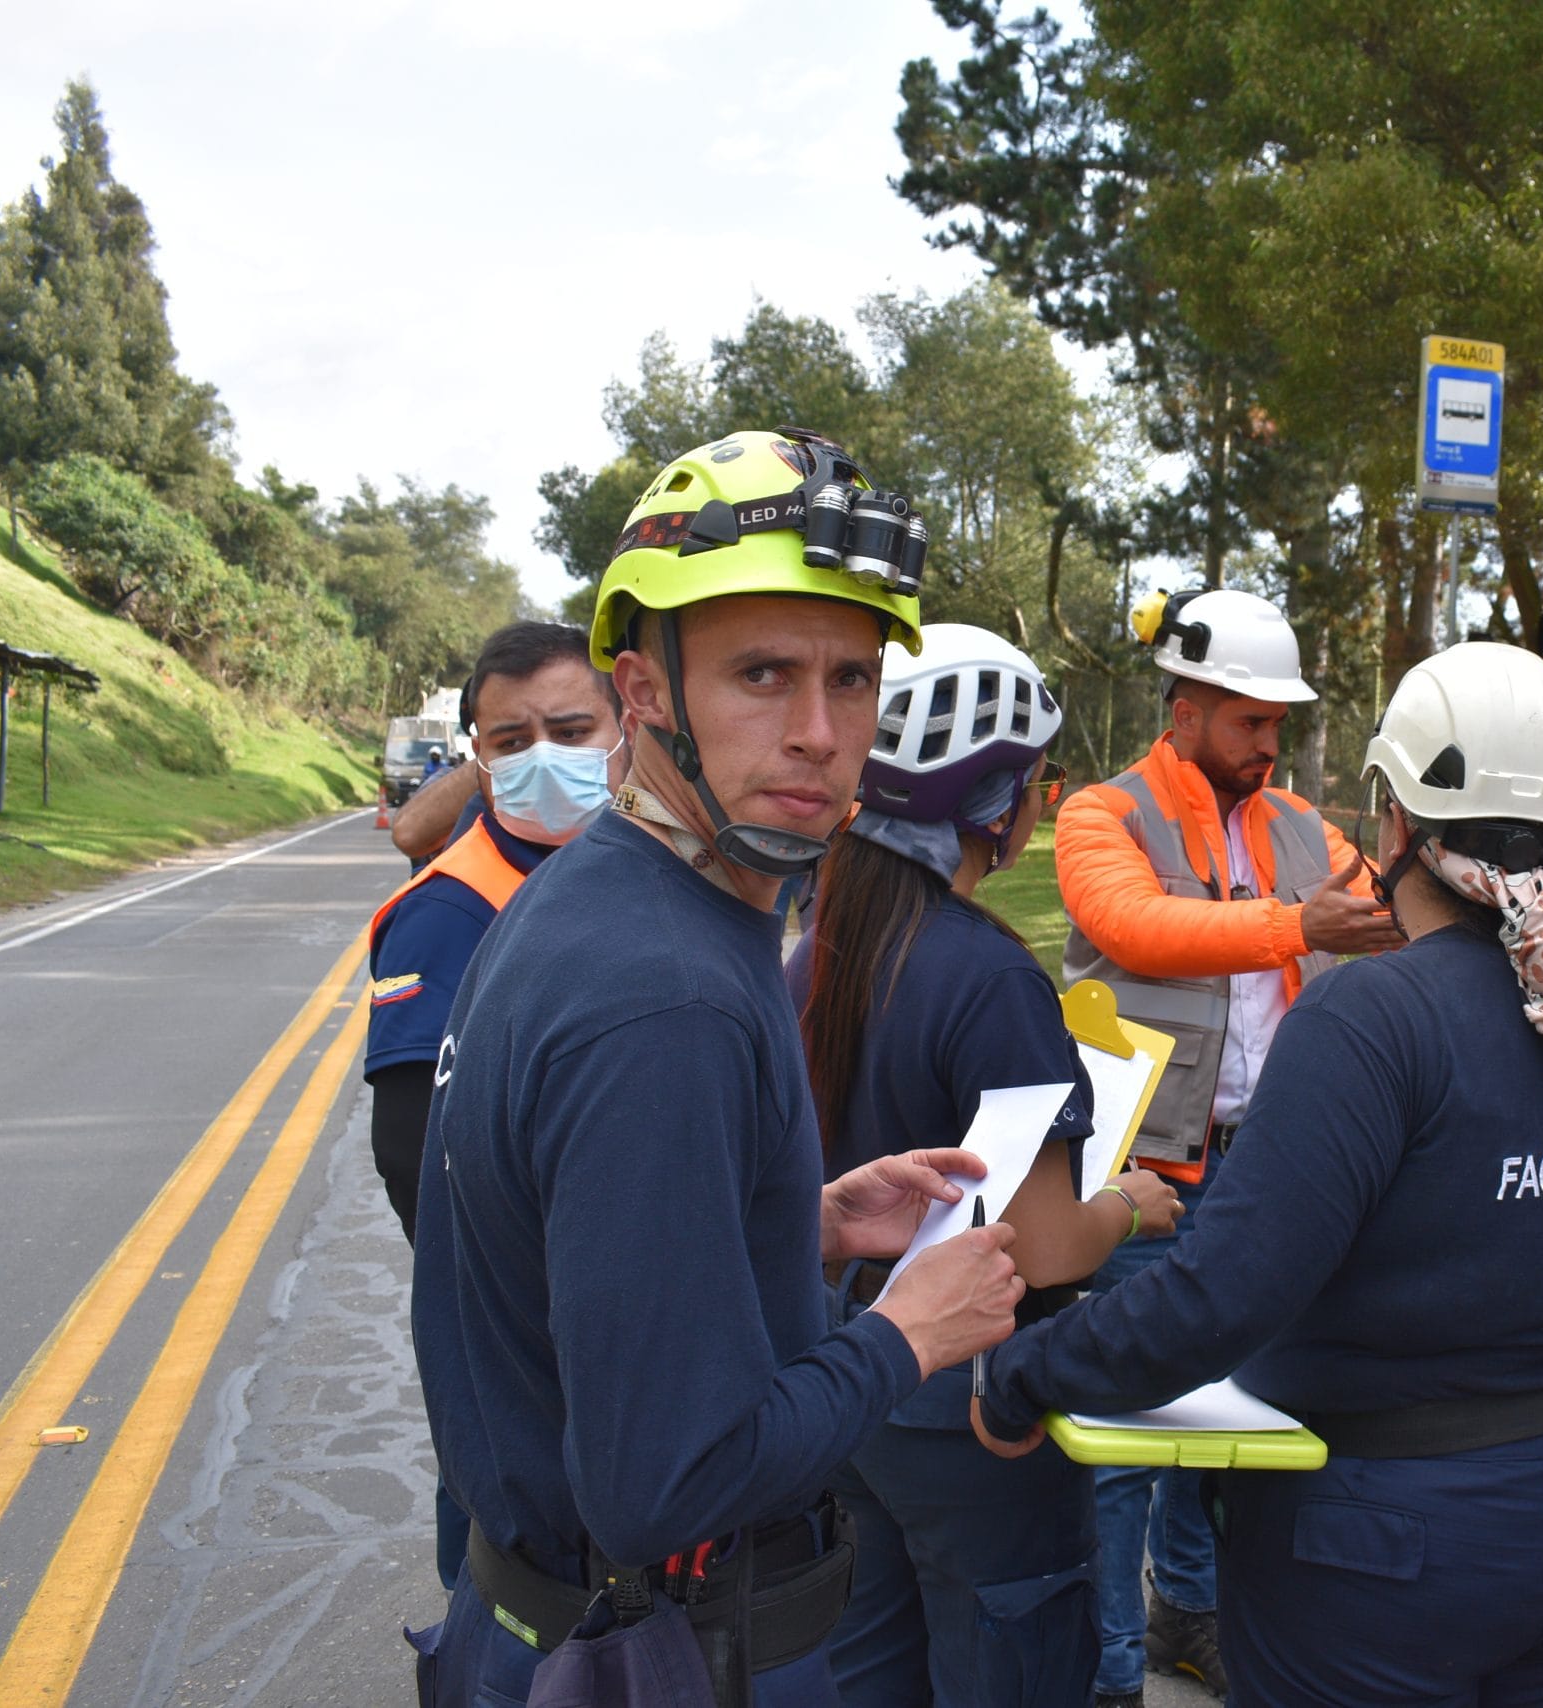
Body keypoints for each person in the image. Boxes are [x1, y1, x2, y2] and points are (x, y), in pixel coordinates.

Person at [407, 429, 1027, 1708]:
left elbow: (557, 1247)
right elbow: (663, 1486)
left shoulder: (607, 891)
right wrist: (906, 1337)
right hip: (664, 1652)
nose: (817, 732)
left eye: (850, 681)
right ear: (642, 690)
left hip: (548, 1619)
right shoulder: (666, 992)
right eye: (761, 673)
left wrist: (778, 1228)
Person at [970, 642, 1543, 1708]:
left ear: (1394, 820)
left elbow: (1221, 1294)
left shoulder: (1374, 1018)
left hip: (1385, 1548)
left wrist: (1027, 1373)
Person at [787, 624, 1184, 1707]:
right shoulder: (989, 979)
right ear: (996, 801)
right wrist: (1129, 1206)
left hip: (844, 1379)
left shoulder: (811, 945)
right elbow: (1047, 1240)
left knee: (870, 1663)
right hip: (968, 1410)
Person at [1051, 585, 1404, 1705]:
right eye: (1251, 720)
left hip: (1265, 1166)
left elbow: (1389, 906)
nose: (1271, 742)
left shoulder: (1302, 824)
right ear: (1187, 706)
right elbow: (1135, 926)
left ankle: (1183, 1614)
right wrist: (1302, 924)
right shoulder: (1102, 816)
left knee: (1225, 1422)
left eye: (1278, 723)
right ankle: (1107, 1667)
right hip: (1138, 1173)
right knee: (1121, 1435)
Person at [365, 621, 627, 1247]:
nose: (543, 757)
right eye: (512, 742)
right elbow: (412, 1153)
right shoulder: (450, 911)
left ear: (630, 729)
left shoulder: (651, 867)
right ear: (479, 759)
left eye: (570, 733)